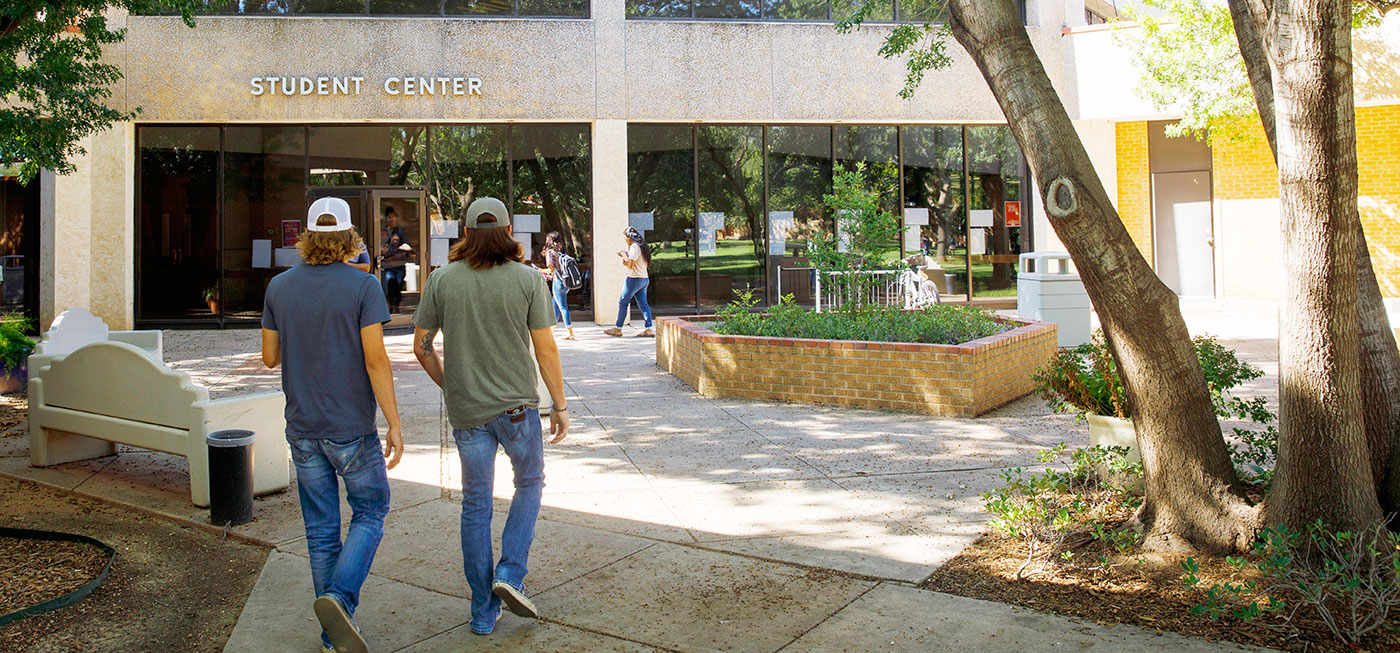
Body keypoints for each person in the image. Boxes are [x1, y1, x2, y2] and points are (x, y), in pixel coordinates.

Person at [411, 197, 569, 636]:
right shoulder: (527, 279)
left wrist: (451, 384)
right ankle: (510, 575)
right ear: (506, 232)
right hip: (518, 410)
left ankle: (483, 611)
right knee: (530, 484)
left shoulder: (442, 280)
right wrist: (559, 404)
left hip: (468, 414)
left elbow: (421, 348)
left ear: (466, 232)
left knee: (476, 505)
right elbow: (546, 348)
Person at [261, 197, 405, 653]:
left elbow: (269, 358)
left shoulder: (278, 287)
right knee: (372, 510)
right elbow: (376, 359)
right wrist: (395, 423)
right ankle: (339, 600)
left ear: (306, 237)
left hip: (302, 427)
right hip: (351, 428)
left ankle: (331, 636)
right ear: (349, 238)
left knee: (321, 531)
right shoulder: (364, 288)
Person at [604, 226, 653, 338]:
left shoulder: (634, 247)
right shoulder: (642, 246)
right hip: (644, 279)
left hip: (634, 279)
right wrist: (626, 258)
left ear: (630, 237)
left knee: (623, 303)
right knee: (643, 305)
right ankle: (649, 329)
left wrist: (624, 259)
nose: (625, 240)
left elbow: (630, 265)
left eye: (625, 237)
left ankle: (618, 328)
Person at [543, 231, 574, 341]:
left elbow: (550, 269)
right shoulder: (561, 251)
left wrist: (539, 270)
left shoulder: (550, 253)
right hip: (565, 282)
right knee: (555, 305)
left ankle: (570, 332)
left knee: (562, 307)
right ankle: (551, 331)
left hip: (558, 282)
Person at [380, 233, 411, 312]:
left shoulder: (403, 247)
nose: (395, 242)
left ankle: (397, 305)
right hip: (390, 268)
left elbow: (401, 255)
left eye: (397, 240)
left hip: (399, 268)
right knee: (390, 285)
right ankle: (391, 305)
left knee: (398, 286)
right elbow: (380, 254)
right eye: (394, 240)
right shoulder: (387, 247)